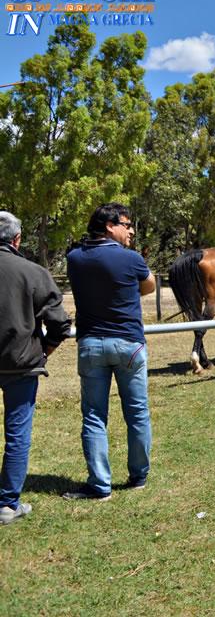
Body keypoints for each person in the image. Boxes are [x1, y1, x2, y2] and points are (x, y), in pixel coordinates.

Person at [64, 203, 156, 501]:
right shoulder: (131, 259)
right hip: (128, 343)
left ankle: (99, 485)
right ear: (109, 226)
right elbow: (149, 285)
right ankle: (138, 475)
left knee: (93, 415)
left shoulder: (74, 258)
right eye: (127, 225)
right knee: (137, 412)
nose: (130, 231)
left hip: (90, 344)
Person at [0, 212, 72, 524]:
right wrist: (44, 352)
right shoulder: (33, 272)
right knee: (17, 434)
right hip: (21, 365)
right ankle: (6, 504)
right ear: (16, 240)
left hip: (20, 364)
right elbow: (60, 323)